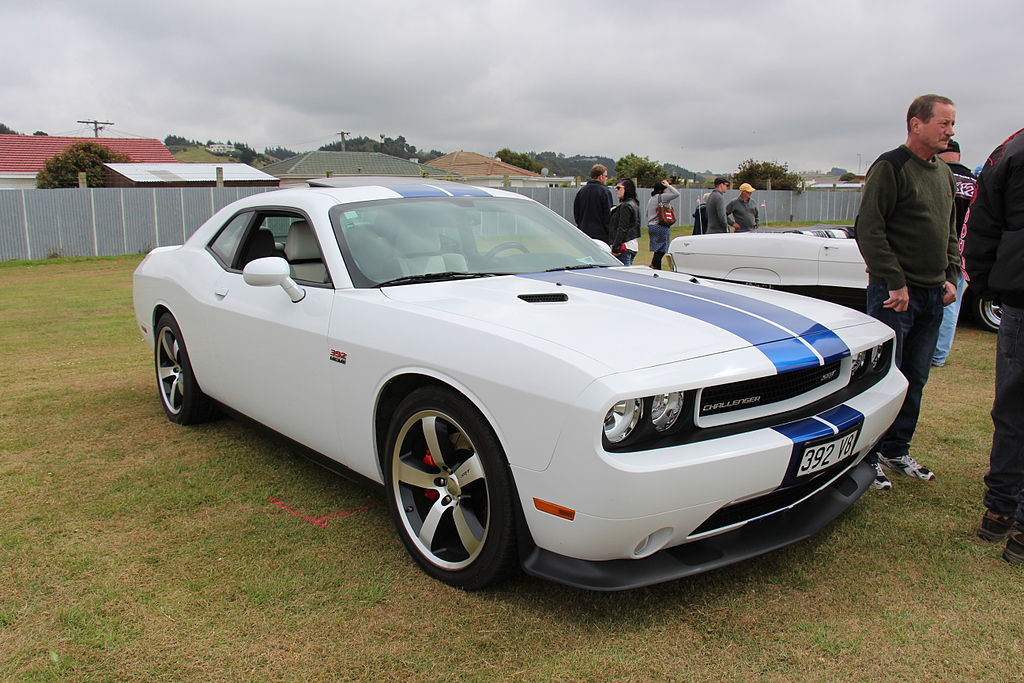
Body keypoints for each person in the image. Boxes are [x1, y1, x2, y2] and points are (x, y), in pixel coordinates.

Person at [854, 93, 960, 490]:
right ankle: (868, 458)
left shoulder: (943, 173)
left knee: (915, 375)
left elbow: (949, 229)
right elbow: (870, 228)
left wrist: (952, 273)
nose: (951, 131)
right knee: (884, 377)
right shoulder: (891, 166)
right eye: (944, 123)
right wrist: (894, 281)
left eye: (952, 124)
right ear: (916, 123)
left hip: (933, 294)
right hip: (895, 295)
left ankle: (896, 450)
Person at [962, 126, 1024, 564]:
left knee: (1013, 407)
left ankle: (999, 511)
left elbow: (980, 224)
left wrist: (987, 285)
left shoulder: (1009, 149)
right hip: (1015, 294)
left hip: (1017, 295)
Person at [932, 139, 978, 367]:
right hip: (965, 251)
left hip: (938, 249)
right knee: (953, 303)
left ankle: (933, 353)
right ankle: (940, 353)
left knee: (934, 302)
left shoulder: (938, 177)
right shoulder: (976, 182)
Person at [573, 164, 612, 242]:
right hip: (601, 235)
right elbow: (607, 215)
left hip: (584, 233)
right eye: (606, 176)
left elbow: (576, 213)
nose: (606, 178)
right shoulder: (605, 192)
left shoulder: (581, 191)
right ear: (600, 177)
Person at [646, 179, 680, 269]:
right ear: (662, 189)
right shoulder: (662, 197)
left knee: (658, 249)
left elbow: (647, 213)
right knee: (661, 249)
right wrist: (668, 185)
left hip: (651, 226)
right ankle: (654, 266)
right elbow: (676, 194)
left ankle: (656, 267)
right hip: (660, 225)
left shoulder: (652, 199)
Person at [608, 178, 641, 266]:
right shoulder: (633, 204)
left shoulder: (626, 206)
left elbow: (622, 227)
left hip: (624, 247)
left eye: (619, 188)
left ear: (627, 189)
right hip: (632, 245)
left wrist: (615, 247)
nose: (616, 190)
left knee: (623, 275)